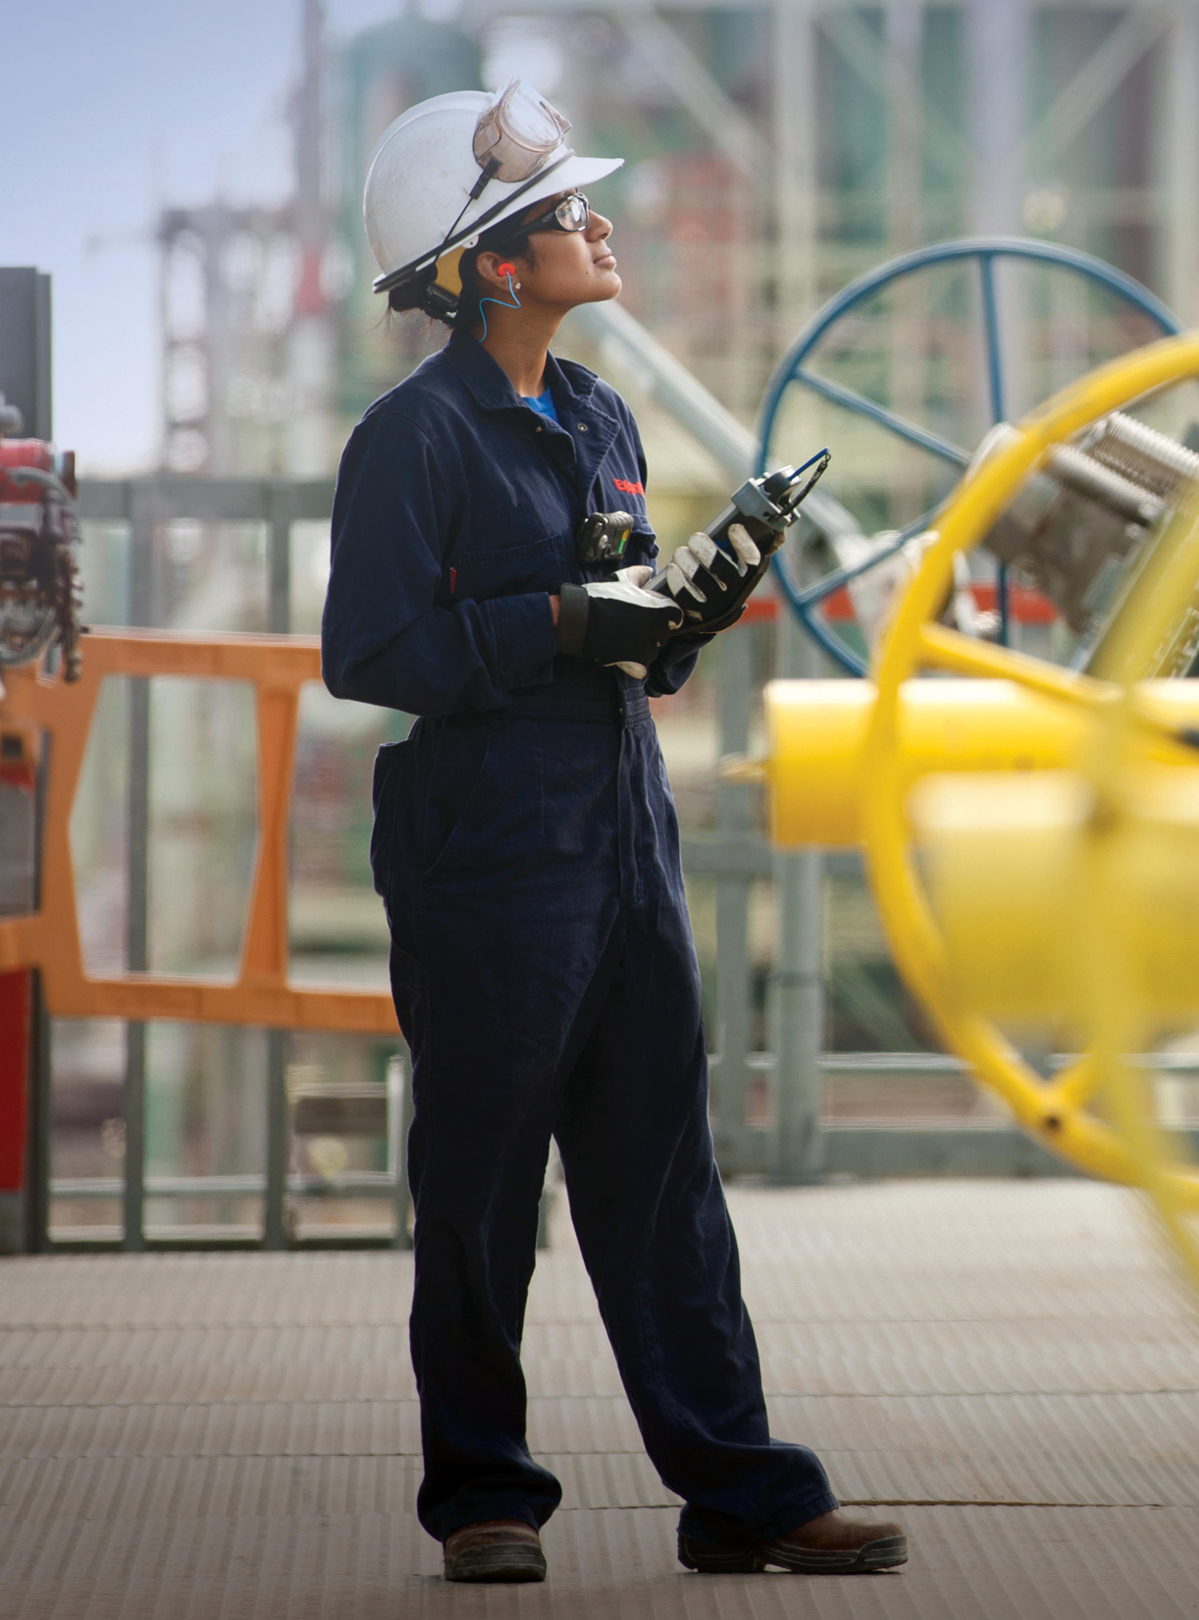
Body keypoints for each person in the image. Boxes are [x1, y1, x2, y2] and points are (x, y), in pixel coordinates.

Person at [325, 83, 905, 1585]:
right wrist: (566, 619)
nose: (600, 224)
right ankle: (486, 1497)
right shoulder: (413, 438)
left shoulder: (600, 415)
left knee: (663, 1176)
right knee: (481, 1185)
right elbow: (374, 652)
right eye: (568, 213)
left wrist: (682, 613)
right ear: (491, 265)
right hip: (488, 842)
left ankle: (746, 1493)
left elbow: (626, 634)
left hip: (619, 820)